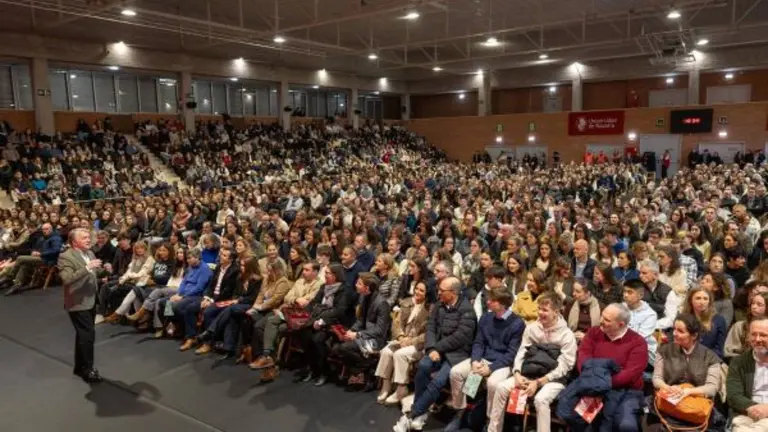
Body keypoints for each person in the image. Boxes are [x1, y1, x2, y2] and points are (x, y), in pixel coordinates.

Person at [393, 277, 476, 432]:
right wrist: (431, 349)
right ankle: (422, 412)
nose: (438, 293)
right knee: (423, 367)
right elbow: (430, 327)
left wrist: (437, 348)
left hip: (457, 354)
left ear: (453, 292)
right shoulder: (439, 305)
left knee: (438, 381)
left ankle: (412, 414)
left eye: (442, 291)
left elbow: (460, 337)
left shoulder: (467, 310)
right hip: (436, 350)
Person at [487, 292, 577, 432]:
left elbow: (565, 366)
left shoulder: (567, 335)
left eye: (545, 310)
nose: (540, 313)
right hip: (529, 372)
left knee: (541, 399)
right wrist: (517, 373)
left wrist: (539, 382)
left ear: (556, 312)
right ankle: (493, 429)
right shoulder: (532, 328)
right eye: (539, 309)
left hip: (554, 378)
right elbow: (521, 352)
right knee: (501, 387)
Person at [557, 303, 648, 432]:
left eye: (607, 320)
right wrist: (595, 384)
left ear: (621, 324)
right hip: (591, 383)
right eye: (602, 316)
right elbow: (583, 357)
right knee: (567, 411)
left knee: (626, 425)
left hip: (625, 390)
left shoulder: (638, 342)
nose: (601, 321)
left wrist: (603, 384)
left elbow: (630, 374)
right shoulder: (594, 332)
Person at [445, 288, 525, 431]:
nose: (487, 302)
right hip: (482, 358)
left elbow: (511, 354)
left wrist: (491, 368)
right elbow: (478, 342)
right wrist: (475, 360)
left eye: (492, 300)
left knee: (494, 383)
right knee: (456, 372)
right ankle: (460, 412)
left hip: (502, 363)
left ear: (502, 304)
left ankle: (490, 420)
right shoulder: (486, 318)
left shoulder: (517, 323)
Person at [650, 313, 722, 428]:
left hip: (696, 405)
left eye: (680, 331)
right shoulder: (664, 351)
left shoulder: (710, 357)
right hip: (668, 401)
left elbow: (712, 388)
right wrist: (667, 387)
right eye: (674, 329)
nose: (674, 333)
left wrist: (687, 391)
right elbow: (657, 378)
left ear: (693, 335)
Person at [294, 264, 353, 386]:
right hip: (317, 319)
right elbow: (313, 304)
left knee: (318, 339)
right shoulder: (323, 287)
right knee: (303, 333)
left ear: (336, 275)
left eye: (328, 273)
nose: (325, 275)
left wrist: (321, 321)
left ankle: (324, 372)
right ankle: (312, 368)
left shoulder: (344, 289)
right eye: (325, 273)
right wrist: (307, 318)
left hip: (335, 323)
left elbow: (339, 311)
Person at [332, 272, 391, 390]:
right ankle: (364, 368)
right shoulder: (363, 297)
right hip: (364, 335)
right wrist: (350, 331)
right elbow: (360, 320)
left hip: (376, 340)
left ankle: (365, 368)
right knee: (335, 347)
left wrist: (358, 334)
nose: (356, 285)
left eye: (359, 283)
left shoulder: (382, 303)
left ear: (367, 287)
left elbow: (380, 330)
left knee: (344, 348)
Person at [375, 281, 431, 405]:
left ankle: (402, 388)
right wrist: (400, 336)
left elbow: (429, 333)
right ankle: (386, 385)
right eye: (417, 288)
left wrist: (411, 341)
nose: (417, 292)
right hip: (403, 339)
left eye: (422, 290)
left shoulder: (430, 309)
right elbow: (396, 323)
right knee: (386, 351)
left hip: (418, 343)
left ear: (428, 294)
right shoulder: (406, 302)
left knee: (400, 354)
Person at [59, 228, 103, 383]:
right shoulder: (66, 257)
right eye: (84, 238)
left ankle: (80, 367)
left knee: (83, 335)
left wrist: (104, 271)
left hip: (91, 300)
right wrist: (87, 268)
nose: (88, 240)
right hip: (78, 302)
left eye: (88, 237)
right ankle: (88, 370)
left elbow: (94, 274)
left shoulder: (89, 254)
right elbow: (67, 279)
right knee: (88, 336)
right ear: (74, 242)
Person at [179, 246, 241, 351]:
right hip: (204, 297)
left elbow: (226, 291)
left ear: (231, 259)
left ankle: (207, 343)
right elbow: (210, 286)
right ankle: (189, 336)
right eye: (221, 254)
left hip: (218, 299)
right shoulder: (216, 267)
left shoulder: (234, 271)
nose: (221, 256)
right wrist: (207, 297)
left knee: (204, 311)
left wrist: (211, 300)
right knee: (182, 307)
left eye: (224, 255)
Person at [726, 317, 768, 431]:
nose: (757, 339)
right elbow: (733, 395)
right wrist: (754, 408)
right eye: (753, 334)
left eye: (763, 335)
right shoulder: (738, 362)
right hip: (746, 413)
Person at [3, 222, 62, 295]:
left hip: (48, 260)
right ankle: (17, 285)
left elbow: (56, 250)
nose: (44, 231)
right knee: (24, 263)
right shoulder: (42, 238)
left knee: (20, 258)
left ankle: (9, 278)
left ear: (51, 229)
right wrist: (34, 251)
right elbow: (35, 248)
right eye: (43, 229)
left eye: (46, 229)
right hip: (39, 257)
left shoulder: (56, 238)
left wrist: (41, 253)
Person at [682, 286, 727, 359]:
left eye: (705, 299)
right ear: (691, 300)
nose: (702, 302)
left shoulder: (719, 320)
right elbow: (677, 345)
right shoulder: (682, 319)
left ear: (709, 301)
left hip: (709, 360)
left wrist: (701, 357)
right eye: (698, 298)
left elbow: (719, 350)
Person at [623, 279, 658, 365]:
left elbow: (638, 340)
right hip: (621, 348)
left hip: (644, 354)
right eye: (624, 291)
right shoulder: (620, 307)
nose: (625, 295)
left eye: (630, 292)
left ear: (641, 295)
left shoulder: (650, 315)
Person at [725, 292, 768, 359]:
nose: (754, 307)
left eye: (759, 305)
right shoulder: (739, 326)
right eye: (753, 303)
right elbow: (729, 352)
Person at [566, 278, 601, 343]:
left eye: (578, 291)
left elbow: (602, 332)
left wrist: (586, 337)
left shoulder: (600, 307)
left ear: (588, 293)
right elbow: (564, 326)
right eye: (573, 290)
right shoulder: (571, 304)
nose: (573, 294)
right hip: (572, 340)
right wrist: (571, 335)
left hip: (592, 341)